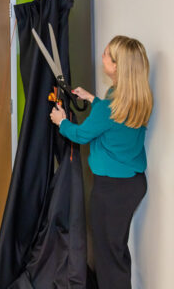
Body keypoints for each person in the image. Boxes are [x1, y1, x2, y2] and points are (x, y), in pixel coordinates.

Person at [50, 36, 152, 289]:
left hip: (111, 191)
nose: (102, 56)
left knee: (108, 256)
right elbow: (114, 119)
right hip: (133, 185)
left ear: (117, 66)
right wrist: (93, 99)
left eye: (106, 54)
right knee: (116, 249)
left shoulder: (109, 106)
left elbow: (81, 134)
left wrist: (61, 121)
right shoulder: (135, 98)